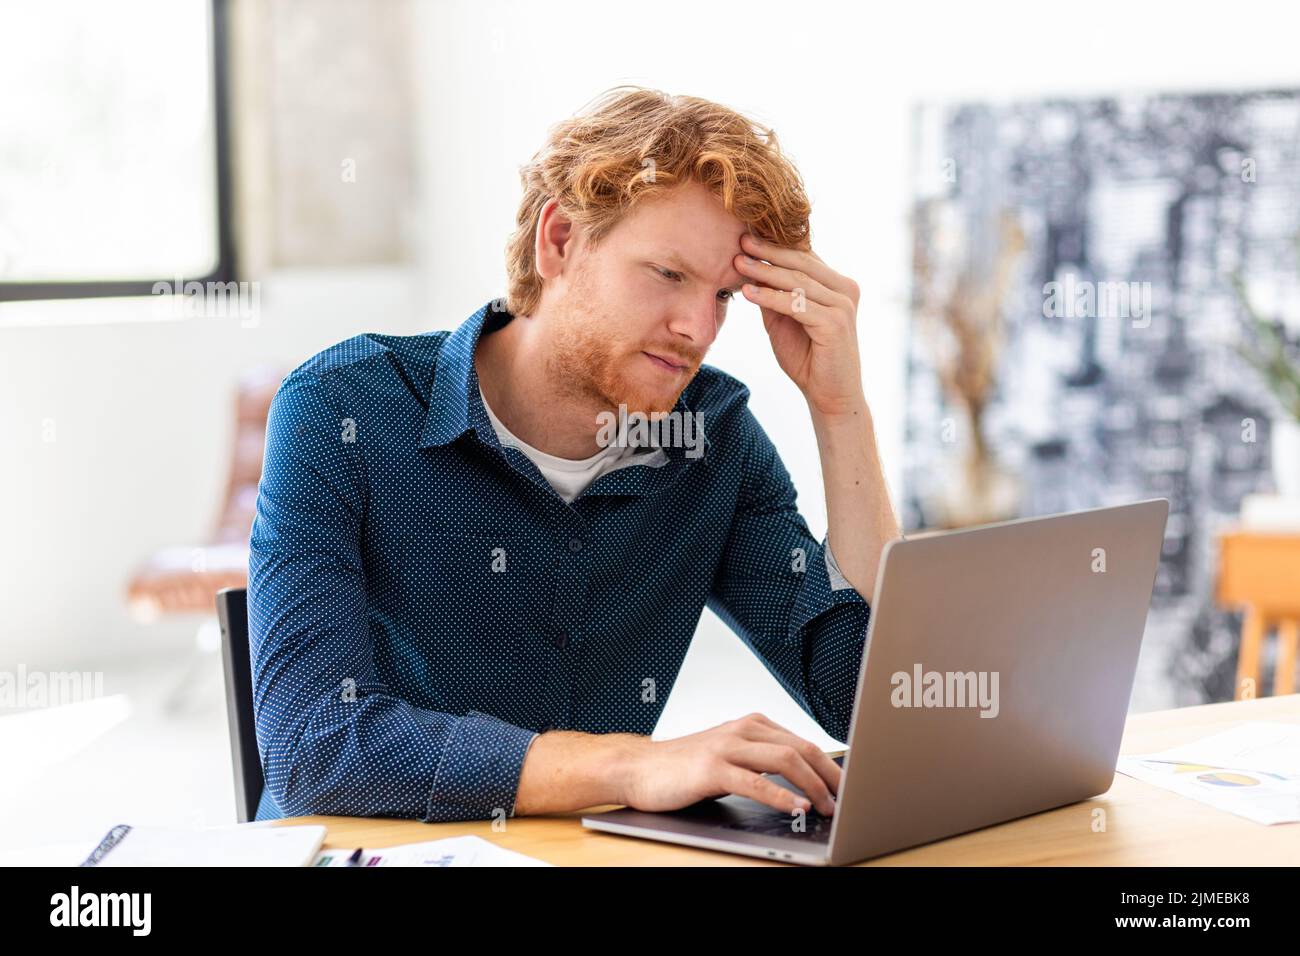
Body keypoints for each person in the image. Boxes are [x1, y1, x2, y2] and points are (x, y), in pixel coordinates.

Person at [248, 86, 900, 824]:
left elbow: (866, 700)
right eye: (669, 274)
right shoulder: (343, 410)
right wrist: (630, 764)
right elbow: (314, 743)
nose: (696, 328)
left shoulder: (710, 437)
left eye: (722, 296)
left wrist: (840, 410)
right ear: (558, 241)